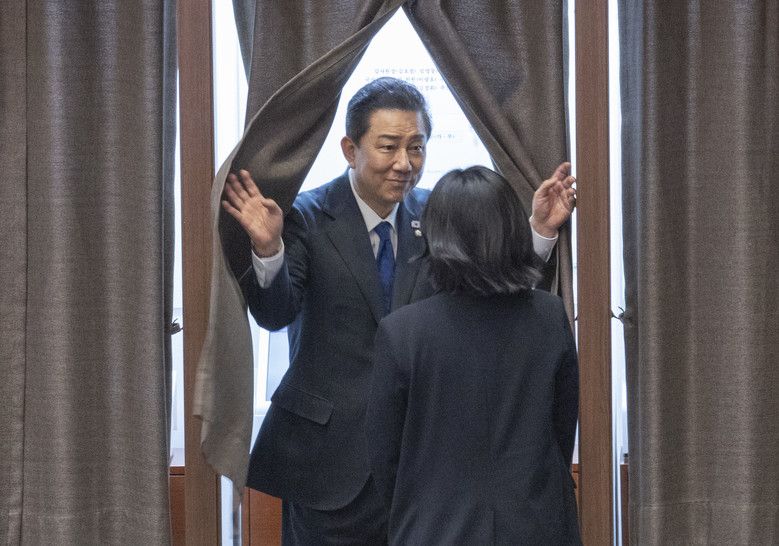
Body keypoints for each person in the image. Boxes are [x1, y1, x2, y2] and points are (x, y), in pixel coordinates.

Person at [221, 77, 576, 545]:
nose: (404, 164)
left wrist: (539, 232)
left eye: (416, 147)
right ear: (350, 149)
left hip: (426, 462)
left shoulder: (439, 214)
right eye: (389, 147)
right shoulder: (304, 215)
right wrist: (269, 251)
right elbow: (275, 314)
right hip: (329, 464)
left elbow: (493, 294)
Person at [365, 165, 581, 545]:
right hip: (537, 525)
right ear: (513, 231)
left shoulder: (402, 332)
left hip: (433, 530)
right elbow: (562, 430)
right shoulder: (549, 317)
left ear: (436, 237)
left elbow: (386, 459)